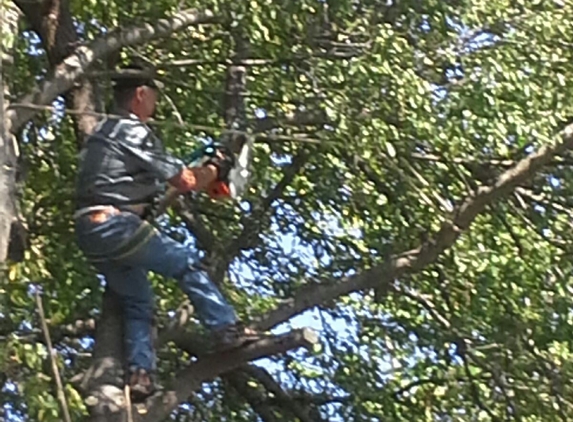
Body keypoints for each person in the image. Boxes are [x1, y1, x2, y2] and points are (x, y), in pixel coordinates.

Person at [73, 64, 260, 401]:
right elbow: (185, 181)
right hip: (115, 226)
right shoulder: (130, 131)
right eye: (154, 99)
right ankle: (227, 329)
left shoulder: (103, 133)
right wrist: (216, 167)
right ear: (141, 96)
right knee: (187, 263)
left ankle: (141, 376)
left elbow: (152, 183)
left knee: (138, 302)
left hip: (92, 231)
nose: (155, 107)